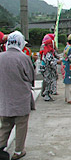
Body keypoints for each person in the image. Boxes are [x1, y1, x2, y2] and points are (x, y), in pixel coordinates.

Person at [0, 31, 35, 160]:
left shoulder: (0, 57)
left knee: (5, 125)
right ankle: (19, 151)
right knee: (21, 126)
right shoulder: (23, 58)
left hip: (4, 99)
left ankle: (1, 146)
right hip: (21, 99)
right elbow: (31, 77)